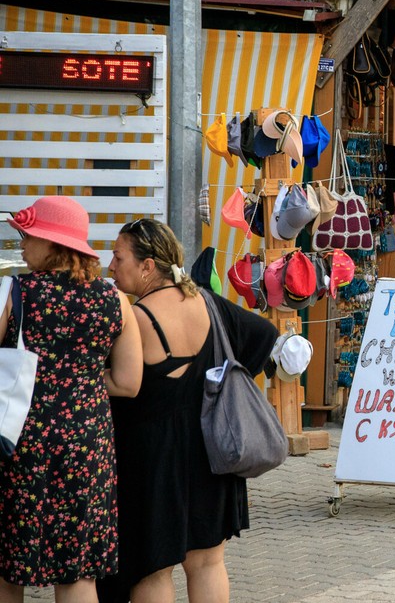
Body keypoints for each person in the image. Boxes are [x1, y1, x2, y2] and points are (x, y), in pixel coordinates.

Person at [97, 219, 276, 603]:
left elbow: (121, 385)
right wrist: (224, 380)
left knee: (152, 568)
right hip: (213, 451)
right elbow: (264, 335)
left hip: (153, 461)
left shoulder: (134, 317)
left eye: (118, 256)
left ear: (147, 266)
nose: (110, 265)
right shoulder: (206, 302)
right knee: (208, 562)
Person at [0, 196, 143, 603]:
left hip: (20, 442)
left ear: (53, 244)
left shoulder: (15, 292)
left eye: (29, 237)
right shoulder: (115, 300)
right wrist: (79, 382)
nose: (23, 245)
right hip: (87, 444)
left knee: (9, 568)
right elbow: (129, 382)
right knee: (78, 572)